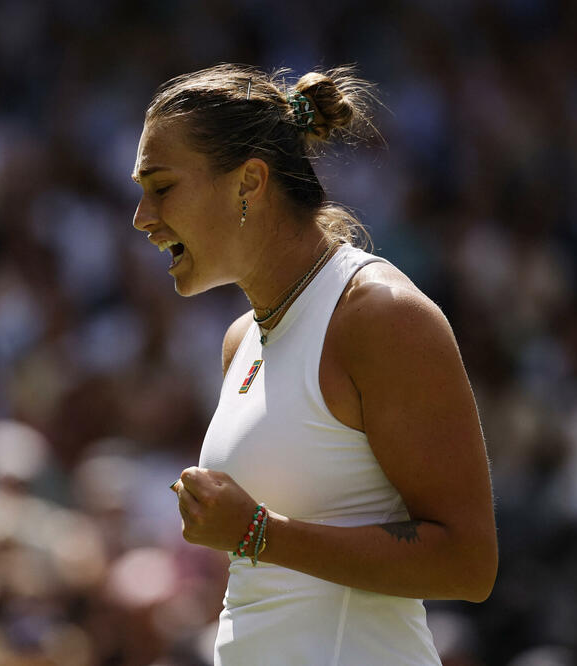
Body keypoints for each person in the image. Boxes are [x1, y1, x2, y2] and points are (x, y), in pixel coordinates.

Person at [131, 64, 497, 665]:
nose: (142, 217)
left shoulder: (379, 315)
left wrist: (256, 533)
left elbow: (468, 564)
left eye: (162, 187)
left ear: (250, 181)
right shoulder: (240, 342)